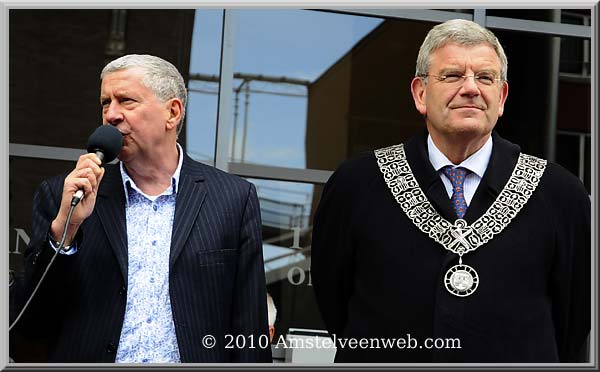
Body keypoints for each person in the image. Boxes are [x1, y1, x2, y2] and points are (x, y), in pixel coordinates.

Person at [311, 19, 590, 363]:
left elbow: (574, 321)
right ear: (421, 93)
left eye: (485, 77)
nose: (471, 88)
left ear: (501, 98)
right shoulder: (359, 183)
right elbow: (333, 299)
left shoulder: (559, 194)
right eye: (453, 75)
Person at [18, 54, 272, 363]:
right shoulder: (64, 195)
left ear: (172, 113)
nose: (111, 115)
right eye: (104, 103)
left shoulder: (233, 199)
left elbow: (249, 327)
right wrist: (66, 228)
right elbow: (29, 320)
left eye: (126, 101)